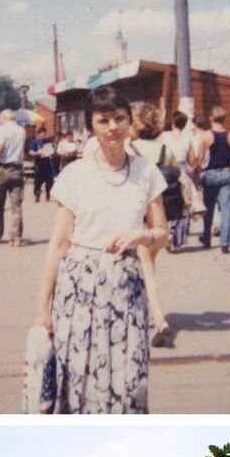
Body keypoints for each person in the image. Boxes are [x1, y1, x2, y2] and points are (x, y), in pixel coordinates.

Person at [34, 86, 168, 414]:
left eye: (119, 118)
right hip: (78, 291)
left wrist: (141, 236)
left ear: (129, 122)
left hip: (127, 289)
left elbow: (162, 233)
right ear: (91, 125)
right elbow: (59, 245)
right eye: (103, 120)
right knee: (78, 378)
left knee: (130, 381)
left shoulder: (147, 173)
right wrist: (42, 309)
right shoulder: (75, 175)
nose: (112, 127)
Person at [129, 103, 180, 346]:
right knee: (148, 265)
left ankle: (159, 320)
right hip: (160, 218)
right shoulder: (165, 148)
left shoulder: (130, 148)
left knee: (146, 268)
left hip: (137, 217)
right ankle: (149, 312)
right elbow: (176, 172)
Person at [0, 109, 26, 246]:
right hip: (17, 169)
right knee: (16, 206)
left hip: (3, 168)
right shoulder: (21, 130)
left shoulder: (2, 129)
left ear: (3, 118)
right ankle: (16, 237)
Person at [198, 106, 230, 252]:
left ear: (211, 118)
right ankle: (225, 244)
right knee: (226, 209)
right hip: (227, 173)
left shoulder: (206, 136)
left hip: (211, 173)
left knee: (208, 207)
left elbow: (201, 159)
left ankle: (207, 238)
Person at [28, 127, 56, 202]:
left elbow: (52, 149)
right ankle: (37, 195)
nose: (43, 135)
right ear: (39, 134)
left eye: (44, 133)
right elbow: (30, 152)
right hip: (39, 163)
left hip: (47, 162)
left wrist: (53, 150)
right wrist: (37, 153)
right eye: (42, 133)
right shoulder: (34, 142)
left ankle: (48, 194)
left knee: (49, 180)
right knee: (38, 180)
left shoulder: (48, 141)